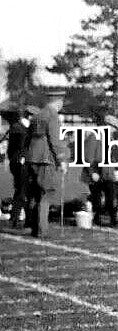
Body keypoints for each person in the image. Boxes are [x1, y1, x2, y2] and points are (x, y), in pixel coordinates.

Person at [25, 87, 69, 238]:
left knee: (35, 194)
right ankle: (42, 230)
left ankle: (33, 227)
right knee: (46, 194)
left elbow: (29, 138)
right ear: (58, 101)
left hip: (32, 158)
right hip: (45, 159)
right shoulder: (53, 115)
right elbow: (54, 141)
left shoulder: (37, 115)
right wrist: (62, 159)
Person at [82, 117, 118, 227]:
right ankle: (97, 218)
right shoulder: (94, 137)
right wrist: (91, 172)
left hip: (108, 171)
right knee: (96, 197)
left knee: (111, 197)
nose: (113, 131)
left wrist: (114, 169)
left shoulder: (110, 138)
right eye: (113, 128)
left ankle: (113, 219)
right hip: (97, 169)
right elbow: (88, 156)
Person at [2, 105, 32, 229]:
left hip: (17, 161)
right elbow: (22, 146)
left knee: (21, 190)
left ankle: (17, 216)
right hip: (21, 162)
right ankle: (21, 217)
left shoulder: (15, 128)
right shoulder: (19, 128)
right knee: (23, 190)